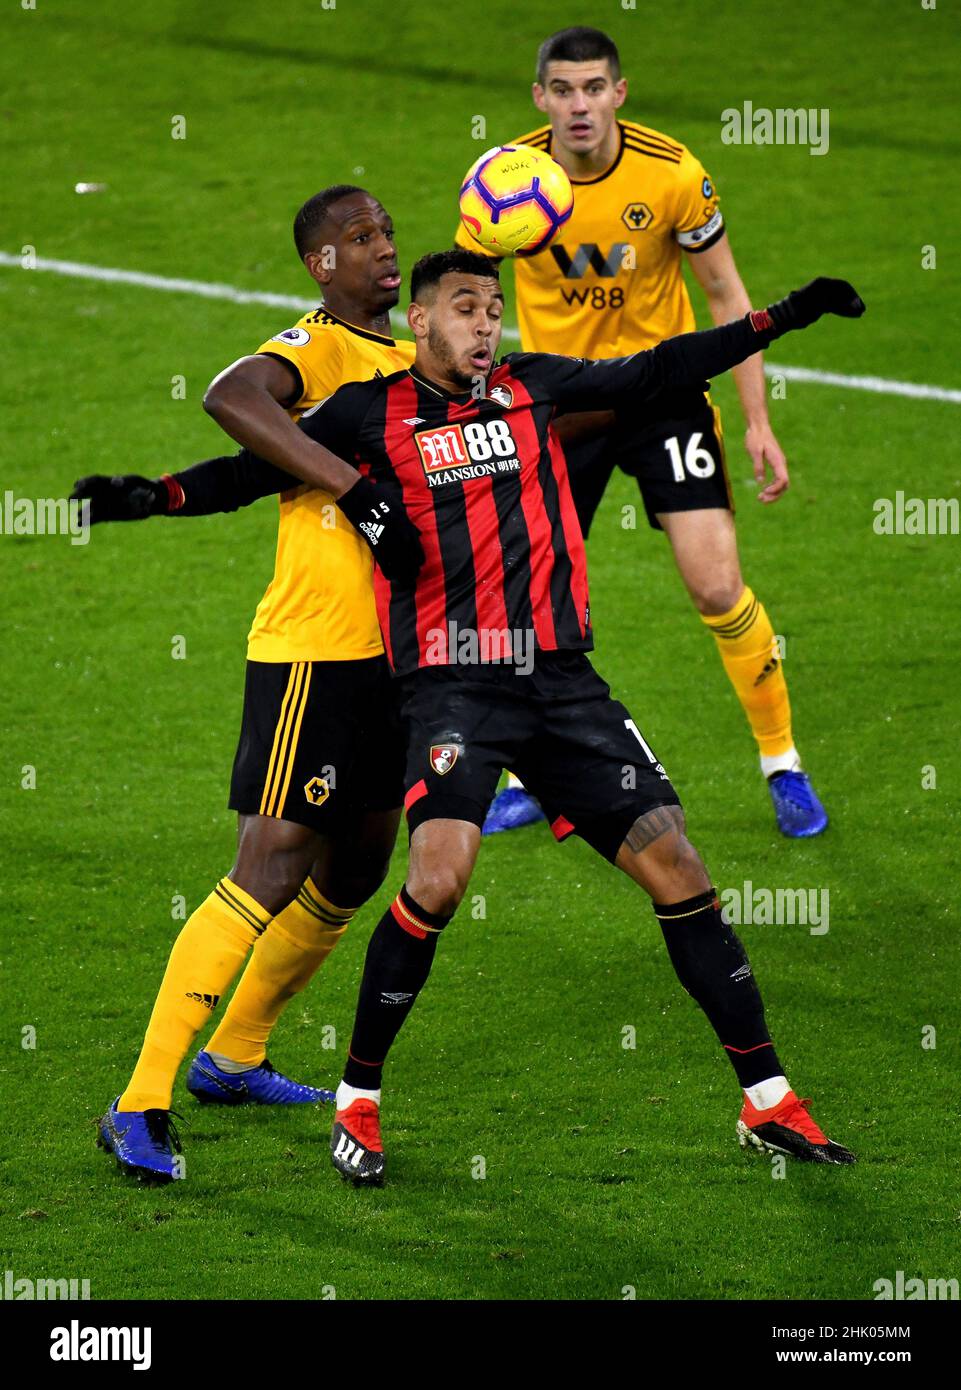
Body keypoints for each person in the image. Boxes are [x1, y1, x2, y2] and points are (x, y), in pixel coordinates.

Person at [191, 248, 863, 1182]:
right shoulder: (366, 412)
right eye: (463, 308)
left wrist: (782, 314)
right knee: (441, 872)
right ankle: (358, 1098)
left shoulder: (535, 388)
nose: (483, 324)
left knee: (679, 866)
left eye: (492, 309)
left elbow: (658, 369)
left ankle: (767, 1103)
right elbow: (248, 462)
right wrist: (155, 498)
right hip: (450, 688)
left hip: (561, 683)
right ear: (420, 322)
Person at [73, 186, 415, 1183]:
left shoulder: (405, 366)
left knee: (355, 863)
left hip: (393, 661)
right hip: (314, 652)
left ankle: (237, 1053)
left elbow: (253, 471)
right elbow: (233, 400)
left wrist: (165, 495)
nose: (383, 249)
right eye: (360, 239)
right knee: (270, 863)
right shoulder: (317, 349)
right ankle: (138, 1100)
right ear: (321, 264)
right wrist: (351, 490)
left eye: (388, 232)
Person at [457, 26, 829, 840]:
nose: (578, 105)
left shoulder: (672, 175)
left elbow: (728, 297)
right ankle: (529, 775)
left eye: (593, 88)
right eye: (562, 90)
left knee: (714, 585)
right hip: (558, 406)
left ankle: (783, 764)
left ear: (618, 93)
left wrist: (758, 420)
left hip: (663, 393)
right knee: (528, 594)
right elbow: (465, 300)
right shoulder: (508, 179)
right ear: (539, 98)